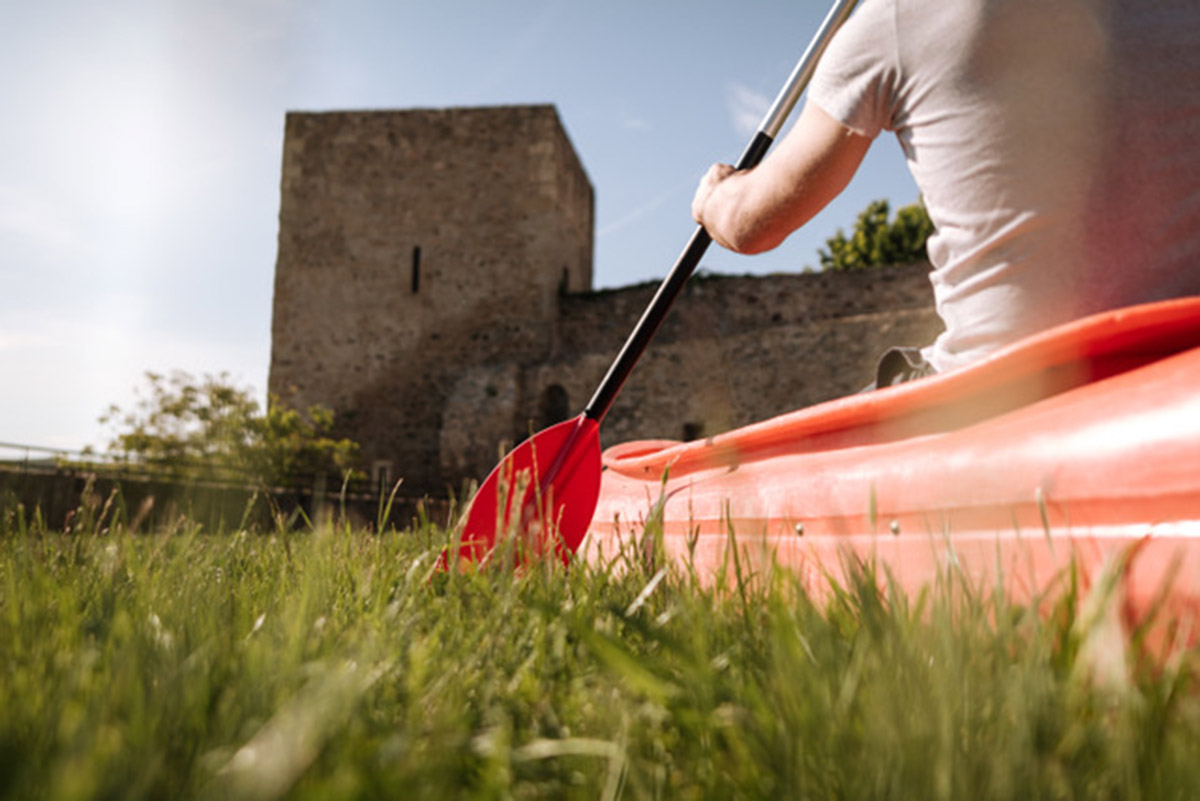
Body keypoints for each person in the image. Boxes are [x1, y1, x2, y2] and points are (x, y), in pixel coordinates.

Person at [692, 0, 1200, 386]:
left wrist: (715, 197)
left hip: (999, 384)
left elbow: (751, 225)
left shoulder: (893, 18)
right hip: (1182, 361)